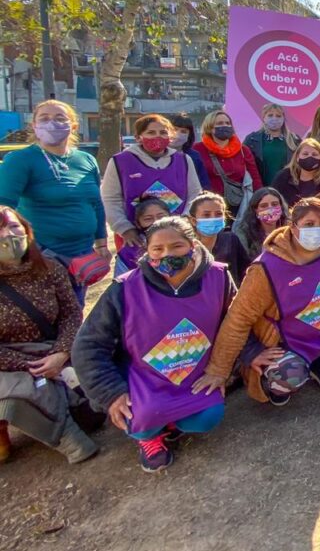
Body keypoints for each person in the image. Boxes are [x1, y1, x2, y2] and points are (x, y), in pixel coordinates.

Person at [74, 216, 235, 472]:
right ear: (147, 252)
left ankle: (170, 423)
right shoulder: (124, 288)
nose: (167, 254)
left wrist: (222, 369)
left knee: (207, 418)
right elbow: (88, 347)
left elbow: (234, 326)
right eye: (157, 249)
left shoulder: (219, 276)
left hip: (195, 376)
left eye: (176, 246)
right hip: (144, 378)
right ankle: (149, 436)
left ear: (192, 245)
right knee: (141, 417)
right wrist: (111, 393)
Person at [198, 199, 320, 405]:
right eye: (309, 224)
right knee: (288, 376)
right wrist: (220, 369)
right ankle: (272, 386)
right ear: (293, 227)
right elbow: (238, 317)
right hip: (285, 342)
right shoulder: (267, 267)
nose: (317, 230)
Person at [0, 207, 97, 464]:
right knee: (25, 391)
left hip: (55, 348)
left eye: (13, 226)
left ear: (26, 230)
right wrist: (33, 365)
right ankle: (67, 439)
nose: (7, 235)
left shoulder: (49, 267)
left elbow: (71, 313)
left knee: (94, 412)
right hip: (11, 362)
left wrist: (61, 353)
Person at [0, 100, 109, 304]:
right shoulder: (20, 160)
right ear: (34, 125)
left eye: (60, 118)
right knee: (46, 317)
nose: (52, 123)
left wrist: (102, 243)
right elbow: (4, 208)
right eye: (45, 118)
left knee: (75, 312)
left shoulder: (86, 160)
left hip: (82, 256)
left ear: (73, 125)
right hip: (42, 255)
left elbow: (96, 204)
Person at [101, 113, 203, 253]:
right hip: (134, 237)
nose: (158, 136)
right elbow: (110, 199)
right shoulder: (120, 161)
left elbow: (195, 194)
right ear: (138, 137)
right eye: (151, 132)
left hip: (177, 234)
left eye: (163, 132)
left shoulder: (184, 160)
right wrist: (124, 228)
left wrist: (184, 221)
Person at [193, 110, 262, 219]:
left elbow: (255, 177)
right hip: (208, 205)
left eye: (227, 123)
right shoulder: (198, 149)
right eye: (220, 124)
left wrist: (260, 199)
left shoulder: (243, 150)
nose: (225, 126)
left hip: (237, 205)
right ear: (210, 128)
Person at [187, 192, 249, 286]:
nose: (213, 218)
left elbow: (246, 271)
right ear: (193, 220)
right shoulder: (186, 246)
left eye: (218, 214)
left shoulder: (230, 240)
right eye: (206, 215)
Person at [271, 139, 320, 207]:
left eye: (314, 154)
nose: (310, 157)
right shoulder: (283, 177)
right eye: (305, 154)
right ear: (297, 157)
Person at [243, 103, 301, 186]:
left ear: (283, 118)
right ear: (264, 118)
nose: (274, 118)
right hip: (260, 189)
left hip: (288, 188)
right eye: (270, 115)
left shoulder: (295, 140)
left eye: (278, 116)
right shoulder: (252, 139)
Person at [113, 197, 170, 275]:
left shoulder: (184, 241)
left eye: (161, 216)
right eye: (148, 219)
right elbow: (121, 282)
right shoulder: (129, 251)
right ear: (138, 224)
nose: (156, 222)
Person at [235, 187, 290, 262]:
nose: (270, 209)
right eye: (264, 206)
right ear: (255, 210)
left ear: (281, 206)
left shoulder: (291, 230)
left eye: (274, 204)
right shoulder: (244, 234)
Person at [168, 113, 211, 190]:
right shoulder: (155, 154)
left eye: (183, 131)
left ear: (189, 135)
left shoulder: (194, 156)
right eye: (174, 129)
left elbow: (204, 184)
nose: (177, 134)